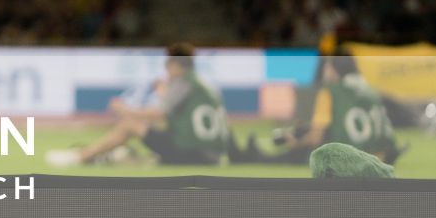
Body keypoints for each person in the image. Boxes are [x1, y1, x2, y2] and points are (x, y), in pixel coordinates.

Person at [47, 42, 231, 167]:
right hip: (211, 154)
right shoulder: (201, 83)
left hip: (194, 153)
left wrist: (126, 110)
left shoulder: (183, 82)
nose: (166, 69)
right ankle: (115, 155)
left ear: (175, 65)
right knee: (148, 134)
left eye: (167, 64)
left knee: (130, 125)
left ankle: (80, 157)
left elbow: (160, 113)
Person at [240, 53, 401, 166]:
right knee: (306, 129)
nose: (325, 70)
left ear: (336, 70)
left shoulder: (330, 91)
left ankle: (254, 155)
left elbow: (316, 138)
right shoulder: (370, 90)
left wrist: (295, 143)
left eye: (328, 66)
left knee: (301, 150)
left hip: (346, 158)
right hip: (380, 155)